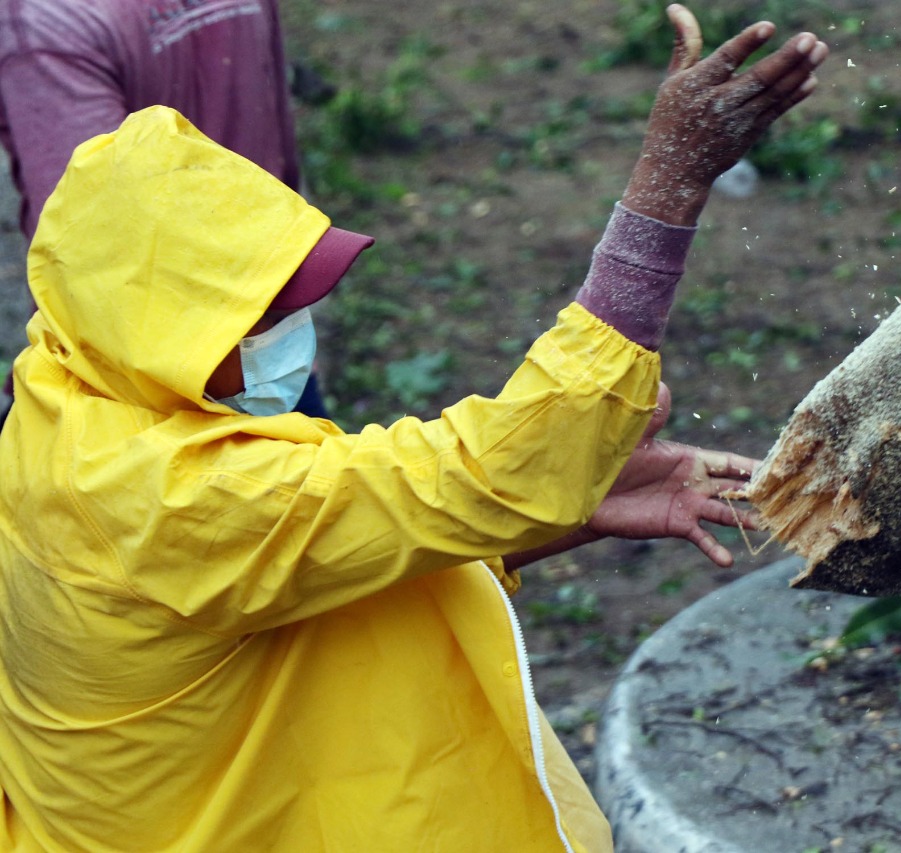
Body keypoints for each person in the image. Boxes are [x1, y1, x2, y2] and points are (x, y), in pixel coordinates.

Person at [0, 6, 828, 851]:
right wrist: (669, 182)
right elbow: (483, 467)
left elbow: (289, 570)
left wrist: (561, 511)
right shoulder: (175, 500)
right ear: (160, 332)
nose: (297, 331)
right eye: (262, 318)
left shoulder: (65, 388)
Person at [0, 0, 324, 416]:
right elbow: (279, 139)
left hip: (142, 386)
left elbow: (90, 232)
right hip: (268, 342)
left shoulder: (45, 19)